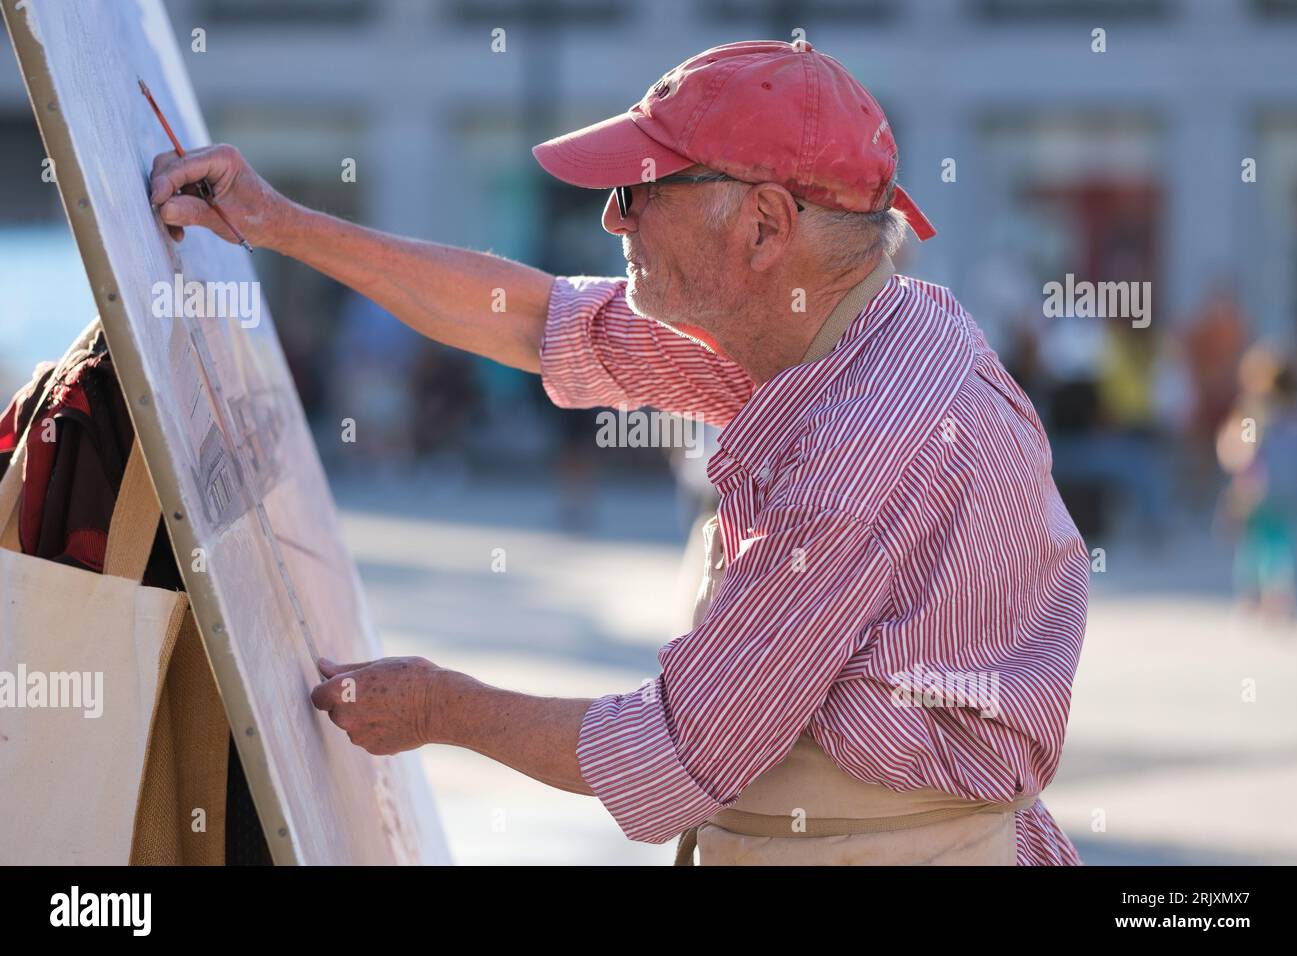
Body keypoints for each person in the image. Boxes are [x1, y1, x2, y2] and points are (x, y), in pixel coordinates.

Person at [150, 40, 1087, 865]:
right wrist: (279, 223)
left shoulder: (862, 441)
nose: (614, 218)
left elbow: (677, 755)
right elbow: (531, 321)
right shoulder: (845, 325)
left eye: (640, 189)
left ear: (764, 226)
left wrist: (443, 709)